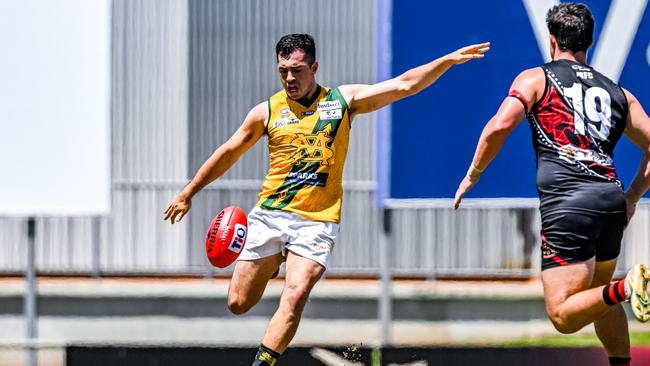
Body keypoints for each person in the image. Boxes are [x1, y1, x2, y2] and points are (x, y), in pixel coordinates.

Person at [164, 33, 489, 366]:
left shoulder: (342, 101)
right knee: (238, 303)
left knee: (296, 292)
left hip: (317, 221)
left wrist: (446, 61)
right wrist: (189, 192)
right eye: (283, 71)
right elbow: (228, 151)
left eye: (298, 69)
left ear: (314, 67)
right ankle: (276, 259)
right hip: (271, 214)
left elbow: (404, 85)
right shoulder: (267, 112)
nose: (290, 78)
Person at [453, 3, 650, 366]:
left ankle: (629, 287)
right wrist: (634, 195)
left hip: (569, 206)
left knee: (562, 315)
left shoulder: (536, 79)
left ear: (552, 40)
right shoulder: (617, 92)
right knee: (597, 294)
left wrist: (473, 174)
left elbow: (499, 126)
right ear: (589, 42)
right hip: (610, 202)